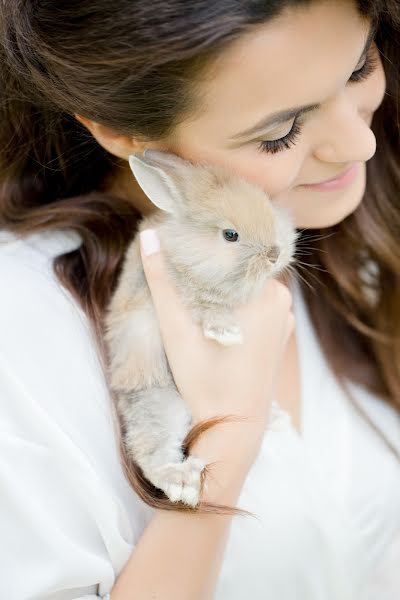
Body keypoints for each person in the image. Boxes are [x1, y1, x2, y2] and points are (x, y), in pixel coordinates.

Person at [0, 0, 399, 598]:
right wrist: (226, 446)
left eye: (359, 67)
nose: (359, 143)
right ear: (118, 128)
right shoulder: (26, 341)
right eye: (280, 133)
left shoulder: (341, 235)